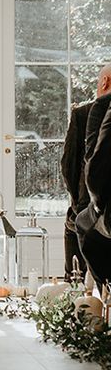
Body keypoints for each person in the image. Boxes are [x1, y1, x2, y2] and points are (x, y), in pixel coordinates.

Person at [61, 64, 111, 281]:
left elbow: (69, 165)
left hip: (93, 201)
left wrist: (76, 200)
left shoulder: (85, 113)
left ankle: (75, 284)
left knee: (75, 221)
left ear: (104, 82)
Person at [76, 80, 111, 287]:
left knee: (84, 224)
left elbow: (96, 165)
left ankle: (107, 298)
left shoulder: (104, 105)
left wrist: (98, 205)